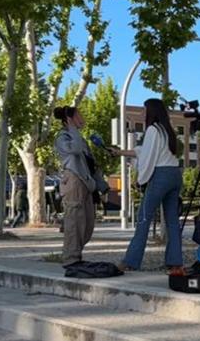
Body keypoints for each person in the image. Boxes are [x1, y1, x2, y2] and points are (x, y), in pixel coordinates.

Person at [111, 98, 184, 275]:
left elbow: (148, 157)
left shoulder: (152, 130)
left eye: (144, 110)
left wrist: (140, 179)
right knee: (172, 221)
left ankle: (131, 261)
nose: (142, 114)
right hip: (175, 174)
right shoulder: (167, 130)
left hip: (160, 176)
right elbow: (143, 151)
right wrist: (120, 152)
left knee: (144, 217)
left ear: (151, 111)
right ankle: (175, 262)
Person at [54, 106, 108, 268]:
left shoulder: (82, 139)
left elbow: (92, 165)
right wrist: (71, 128)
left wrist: (102, 185)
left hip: (87, 184)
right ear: (70, 118)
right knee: (74, 222)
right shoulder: (63, 137)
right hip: (74, 182)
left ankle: (76, 254)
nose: (83, 117)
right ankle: (71, 259)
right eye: (79, 115)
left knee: (87, 224)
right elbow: (74, 149)